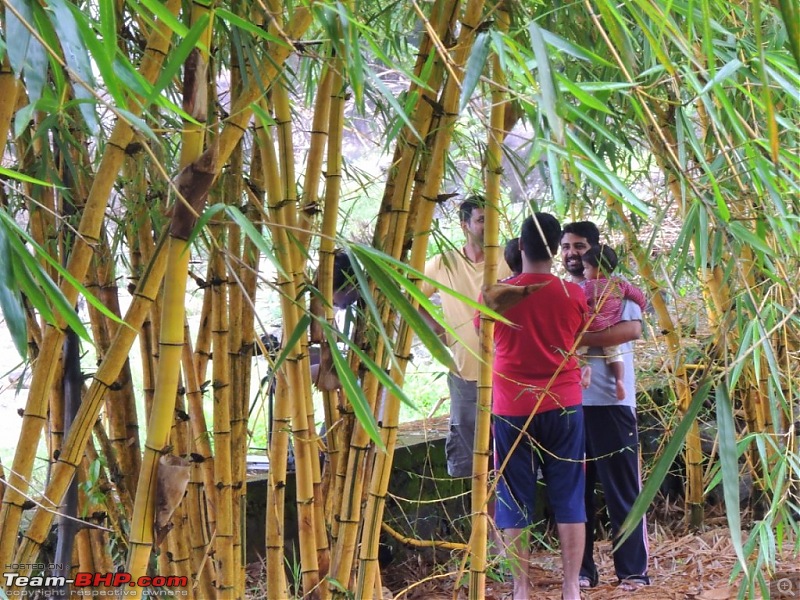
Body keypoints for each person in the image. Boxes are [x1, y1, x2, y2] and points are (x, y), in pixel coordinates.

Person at [478, 213, 588, 600]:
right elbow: (576, 336)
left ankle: (521, 588)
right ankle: (571, 587)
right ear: (557, 249)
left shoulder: (494, 295)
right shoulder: (574, 294)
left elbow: (483, 334)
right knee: (569, 495)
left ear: (520, 247)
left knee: (513, 496)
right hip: (565, 404)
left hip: (511, 406)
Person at [561, 221, 651, 592]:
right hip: (569, 403)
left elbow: (629, 331)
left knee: (622, 488)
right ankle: (582, 571)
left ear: (596, 249)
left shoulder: (619, 288)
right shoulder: (566, 293)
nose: (571, 253)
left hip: (613, 403)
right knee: (573, 490)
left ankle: (632, 572)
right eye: (565, 246)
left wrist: (579, 338)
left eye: (579, 247)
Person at [420, 197, 510, 478]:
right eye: (482, 220)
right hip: (464, 375)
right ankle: (484, 521)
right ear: (465, 226)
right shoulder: (442, 264)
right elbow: (409, 299)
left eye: (493, 220)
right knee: (474, 464)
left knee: (514, 455)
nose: (489, 227)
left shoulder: (509, 259)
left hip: (509, 374)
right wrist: (436, 332)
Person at [577, 244, 647, 400]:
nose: (583, 272)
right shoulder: (618, 284)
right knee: (615, 355)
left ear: (598, 270)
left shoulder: (587, 287)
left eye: (586, 268)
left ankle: (585, 368)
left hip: (590, 326)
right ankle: (619, 380)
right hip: (610, 326)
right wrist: (641, 308)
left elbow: (578, 305)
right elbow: (638, 295)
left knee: (579, 351)